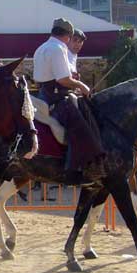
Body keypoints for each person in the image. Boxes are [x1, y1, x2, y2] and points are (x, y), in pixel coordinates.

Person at [33, 18, 105, 179]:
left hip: (43, 94)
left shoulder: (41, 48)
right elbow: (63, 79)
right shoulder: (59, 48)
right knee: (82, 127)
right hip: (58, 97)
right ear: (67, 36)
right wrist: (81, 85)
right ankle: (80, 167)